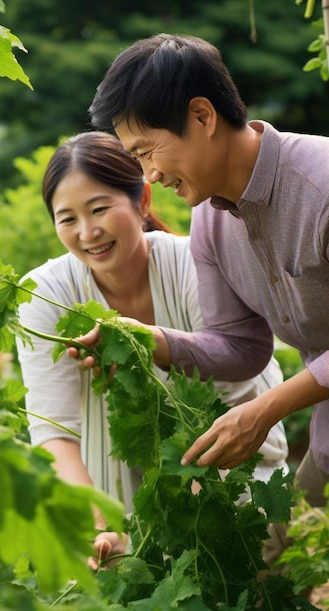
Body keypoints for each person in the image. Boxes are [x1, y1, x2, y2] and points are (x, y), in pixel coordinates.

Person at [73, 33, 329, 565]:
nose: (150, 176)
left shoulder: (320, 186)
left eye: (147, 152)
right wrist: (153, 342)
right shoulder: (210, 221)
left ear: (202, 116)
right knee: (273, 566)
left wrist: (263, 411)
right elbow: (241, 347)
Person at [16, 130, 289, 568]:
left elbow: (237, 389)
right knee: (127, 578)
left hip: (229, 455)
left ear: (142, 200)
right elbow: (53, 428)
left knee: (230, 571)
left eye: (100, 209)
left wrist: (194, 506)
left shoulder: (194, 263)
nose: (88, 232)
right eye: (67, 219)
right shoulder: (45, 295)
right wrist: (96, 522)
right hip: (113, 470)